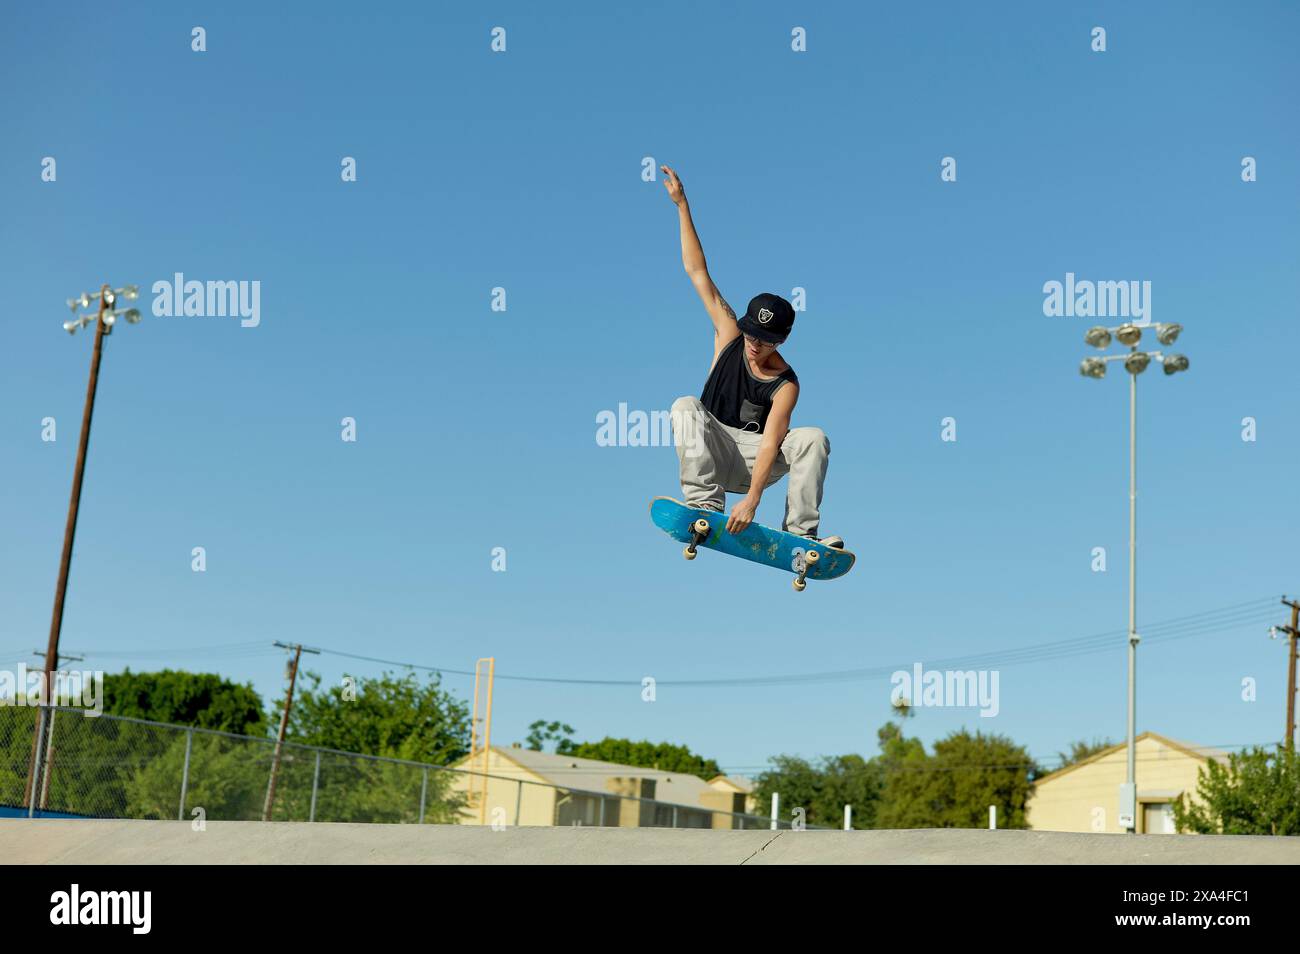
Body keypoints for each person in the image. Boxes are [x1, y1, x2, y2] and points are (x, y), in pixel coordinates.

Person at [661, 165, 842, 548]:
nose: (753, 344)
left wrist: (752, 500)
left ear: (781, 341)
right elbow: (697, 272)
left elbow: (771, 442)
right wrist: (682, 205)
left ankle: (800, 533)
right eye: (751, 334)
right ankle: (705, 507)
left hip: (754, 460)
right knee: (684, 405)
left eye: (765, 340)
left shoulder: (785, 385)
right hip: (713, 449)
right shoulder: (730, 334)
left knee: (812, 437)